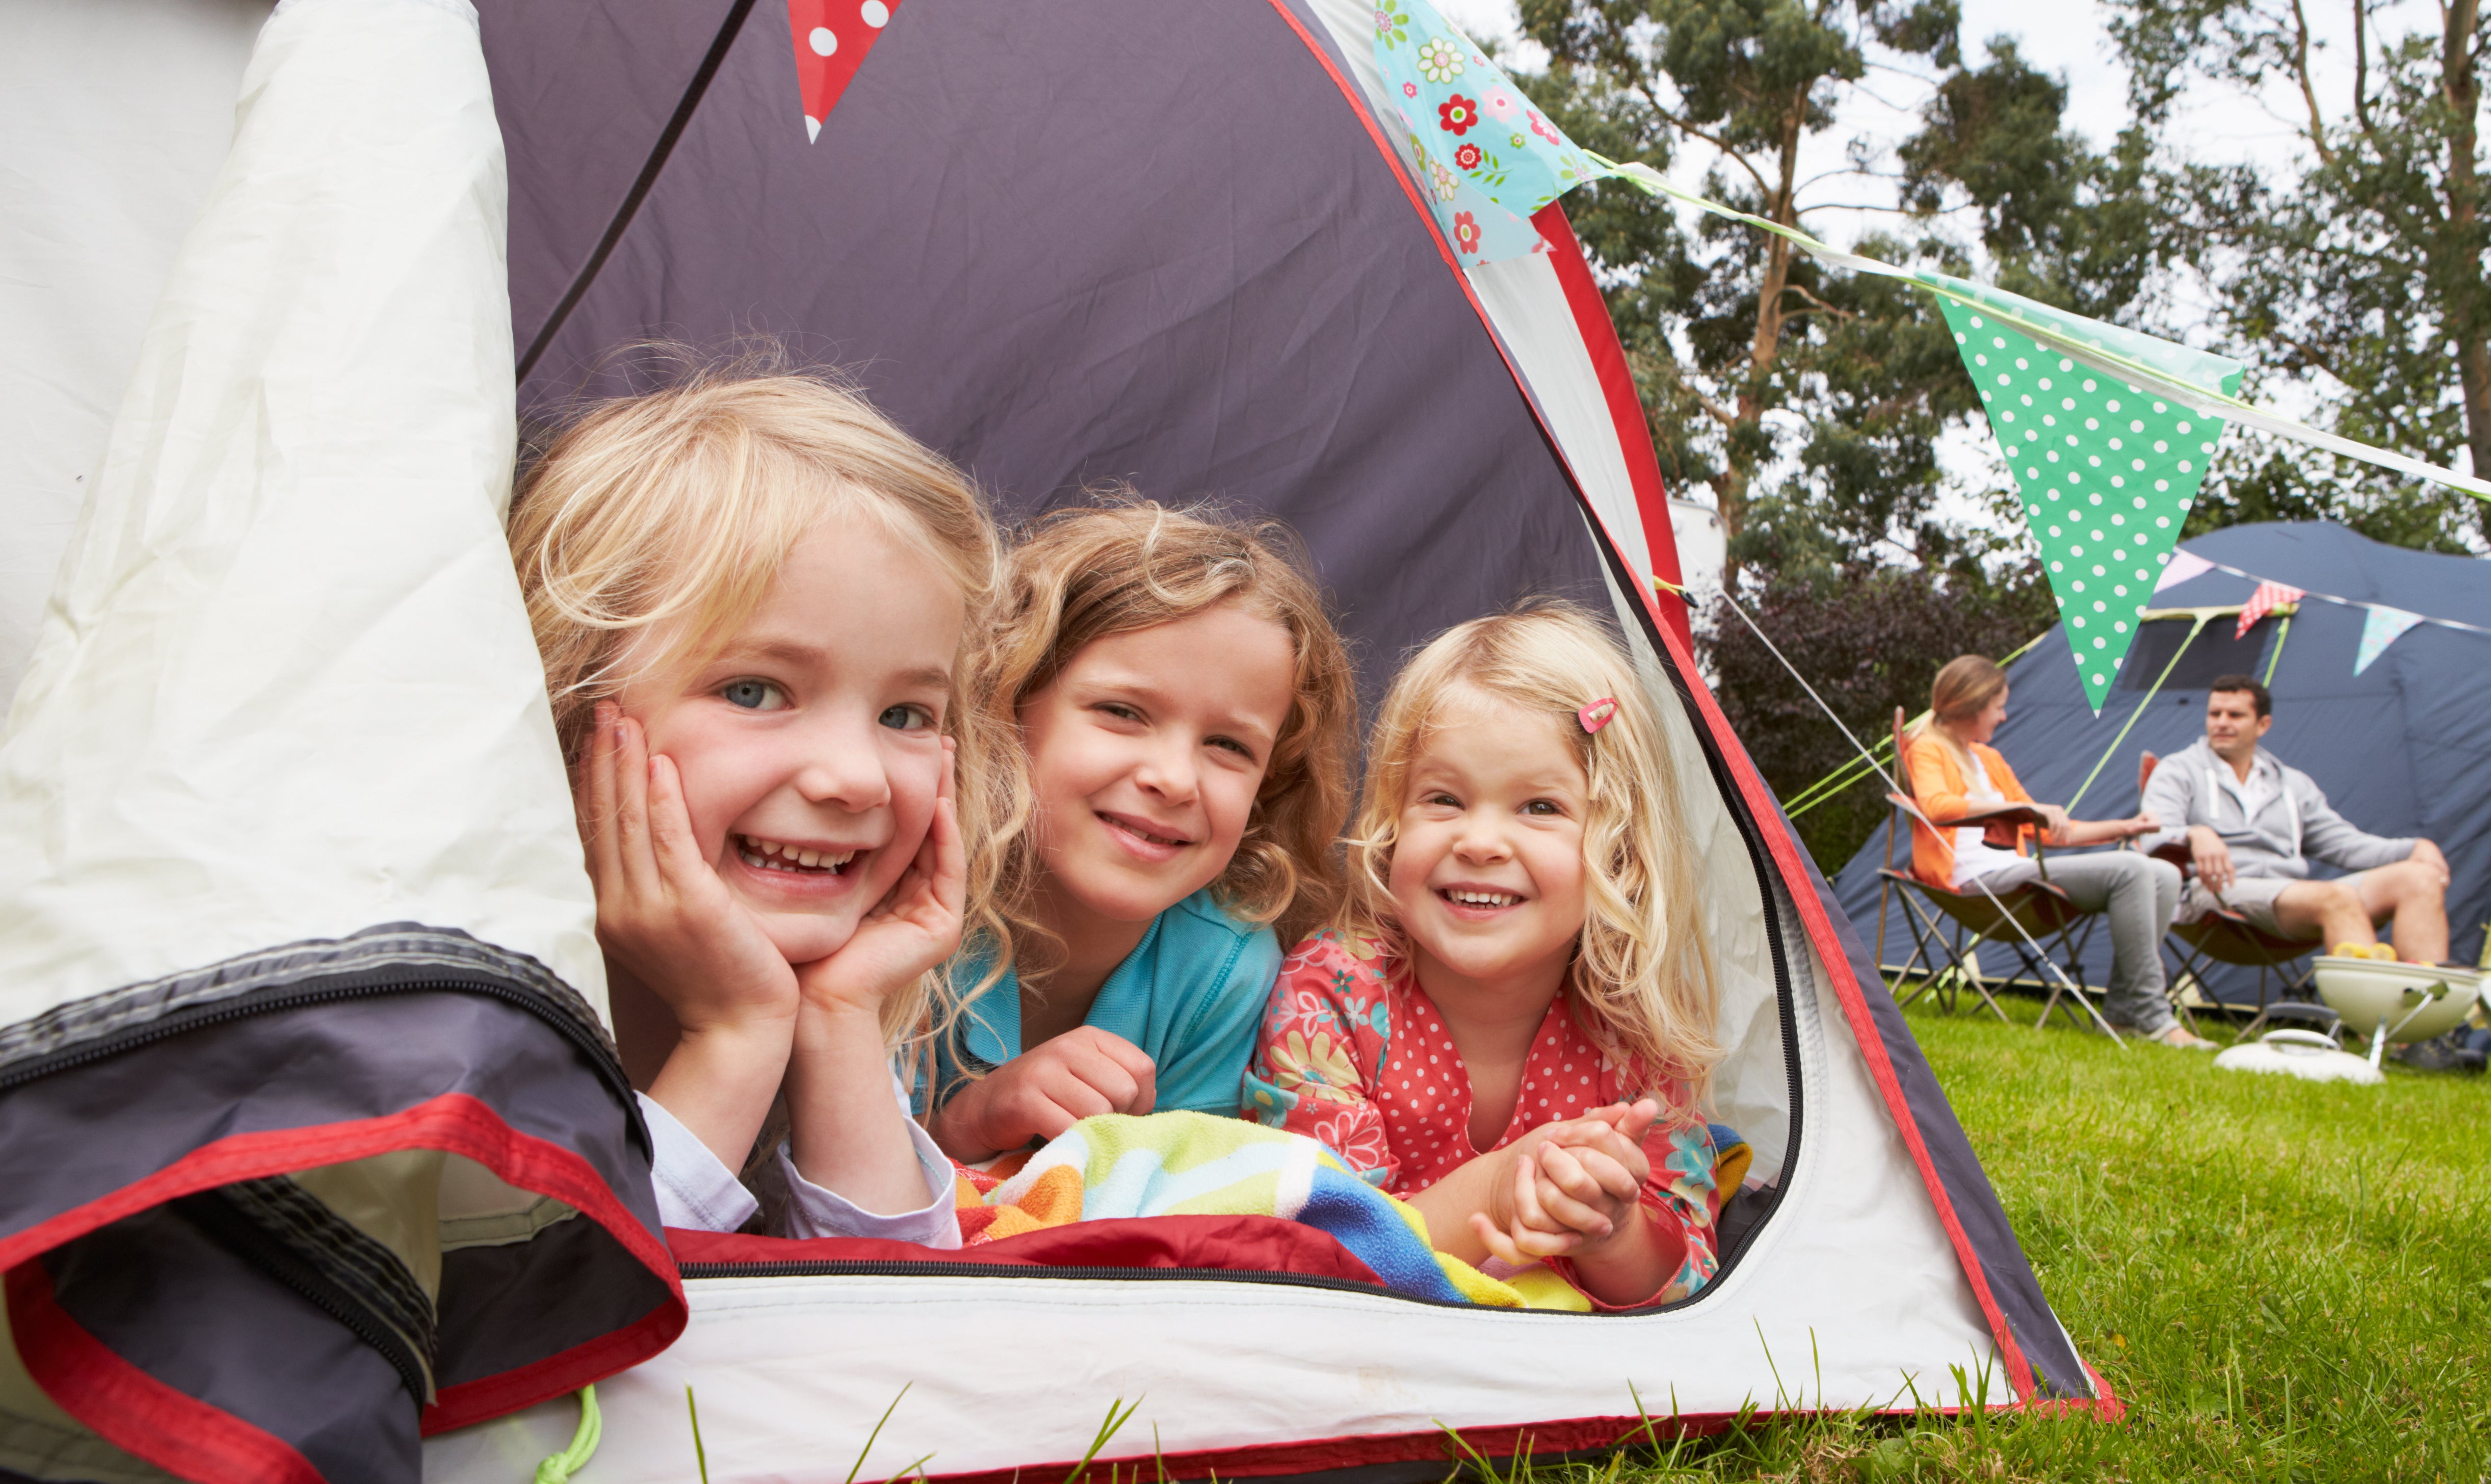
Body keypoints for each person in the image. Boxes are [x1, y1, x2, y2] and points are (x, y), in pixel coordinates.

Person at [513, 363, 996, 1243]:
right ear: (563, 709)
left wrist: (841, 1023)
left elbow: (902, 1343)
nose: (856, 777)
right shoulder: (472, 1026)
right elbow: (547, 1324)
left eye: (904, 715)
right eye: (753, 691)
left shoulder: (836, 1000)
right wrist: (731, 1039)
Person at [1244, 602, 1724, 1309]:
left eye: (1539, 808)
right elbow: (1321, 1249)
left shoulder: (1637, 1031)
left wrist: (1610, 1231)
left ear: (1618, 853)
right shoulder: (1331, 996)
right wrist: (1501, 1187)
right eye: (1444, 799)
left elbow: (1687, 1285)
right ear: (1391, 821)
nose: (1480, 841)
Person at [922, 501, 1356, 1165]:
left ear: (1270, 784)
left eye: (1228, 746)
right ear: (1005, 704)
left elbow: (1176, 1214)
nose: (1176, 779)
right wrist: (972, 1124)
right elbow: (820, 1194)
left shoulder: (1227, 966)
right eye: (1122, 712)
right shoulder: (910, 902)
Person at [1903, 655, 2205, 1047]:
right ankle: (2154, 1015)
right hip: (1975, 883)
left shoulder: (1988, 759)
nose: (2004, 716)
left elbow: (2042, 829)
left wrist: (2127, 827)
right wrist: (2017, 810)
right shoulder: (1928, 747)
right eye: (1998, 706)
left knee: (2163, 872)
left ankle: (2124, 1013)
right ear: (1973, 704)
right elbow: (1936, 806)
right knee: (2131, 870)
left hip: (2015, 872)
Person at [2142, 675, 2451, 961]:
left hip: (2290, 899)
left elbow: (2345, 845)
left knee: (2419, 878)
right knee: (2338, 898)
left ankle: (2426, 1011)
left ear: (2263, 725)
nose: (2221, 723)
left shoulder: (2292, 784)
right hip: (2215, 896)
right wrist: (2195, 834)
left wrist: (2414, 849)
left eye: (2235, 716)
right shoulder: (2178, 770)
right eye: (2215, 714)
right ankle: (2373, 1016)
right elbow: (2152, 833)